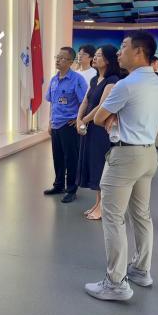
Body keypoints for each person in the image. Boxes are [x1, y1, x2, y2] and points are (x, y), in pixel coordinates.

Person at [84, 32, 158, 301]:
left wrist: (110, 118)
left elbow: (99, 118)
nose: (119, 52)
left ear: (139, 51)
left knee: (113, 218)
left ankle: (115, 282)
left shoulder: (126, 85)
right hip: (148, 154)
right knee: (141, 215)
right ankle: (141, 269)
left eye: (123, 47)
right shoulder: (156, 82)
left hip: (125, 156)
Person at [76, 45, 122, 221]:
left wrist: (85, 120)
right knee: (93, 165)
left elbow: (102, 106)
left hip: (100, 129)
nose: (95, 58)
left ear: (108, 60)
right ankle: (97, 203)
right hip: (89, 127)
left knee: (100, 166)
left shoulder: (112, 80)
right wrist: (79, 119)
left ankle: (103, 207)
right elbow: (85, 101)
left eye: (99, 55)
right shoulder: (95, 79)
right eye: (94, 55)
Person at [44, 47, 87, 203]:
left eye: (62, 58)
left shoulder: (77, 80)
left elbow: (85, 101)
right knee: (58, 157)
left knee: (71, 159)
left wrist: (78, 118)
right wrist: (50, 122)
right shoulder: (54, 80)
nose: (58, 60)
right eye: (57, 57)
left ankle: (71, 190)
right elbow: (52, 102)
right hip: (56, 124)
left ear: (70, 62)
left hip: (69, 126)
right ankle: (58, 185)